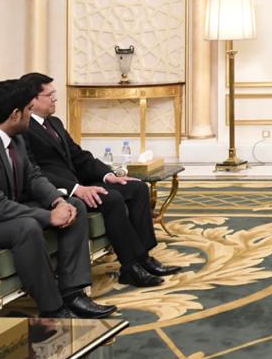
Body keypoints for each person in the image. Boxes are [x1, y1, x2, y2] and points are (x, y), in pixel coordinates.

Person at [0, 80, 116, 318]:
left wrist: (58, 201)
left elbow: (33, 176)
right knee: (26, 227)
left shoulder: (14, 137)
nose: (31, 113)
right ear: (15, 114)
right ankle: (53, 308)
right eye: (28, 109)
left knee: (73, 205)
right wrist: (49, 216)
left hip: (5, 211)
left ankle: (73, 294)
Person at [20, 73, 181, 287]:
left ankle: (143, 258)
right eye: (49, 95)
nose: (55, 98)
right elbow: (34, 172)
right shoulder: (23, 128)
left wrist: (109, 175)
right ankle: (130, 267)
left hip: (80, 182)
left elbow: (79, 156)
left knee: (137, 188)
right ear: (32, 100)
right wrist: (76, 188)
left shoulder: (54, 123)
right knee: (111, 199)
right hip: (60, 191)